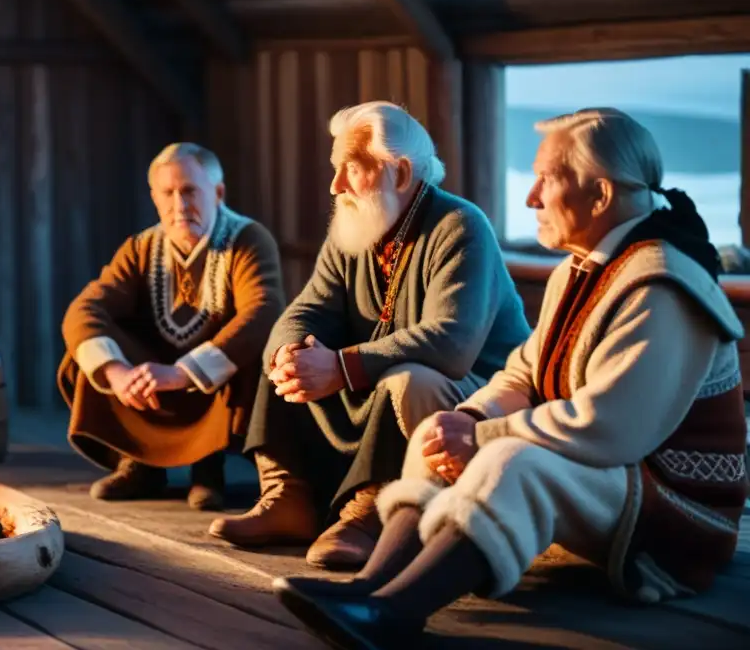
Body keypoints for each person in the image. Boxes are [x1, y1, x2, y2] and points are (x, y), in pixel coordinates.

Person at [273, 107, 748, 650]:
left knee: (510, 459)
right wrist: (470, 418)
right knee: (439, 430)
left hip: (676, 518)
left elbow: (611, 425)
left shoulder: (662, 285)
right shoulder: (583, 266)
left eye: (546, 179)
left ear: (600, 196)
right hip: (614, 477)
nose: (531, 197)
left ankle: (392, 613)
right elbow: (524, 369)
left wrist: (482, 438)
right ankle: (368, 587)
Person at [209, 101, 531, 570]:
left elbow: (451, 343)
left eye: (351, 169)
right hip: (371, 382)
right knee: (286, 357)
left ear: (399, 173)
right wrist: (292, 352)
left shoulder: (461, 226)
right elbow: (307, 308)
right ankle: (288, 497)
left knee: (406, 379)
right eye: (335, 168)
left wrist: (341, 366)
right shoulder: (357, 220)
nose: (336, 185)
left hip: (470, 395)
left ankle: (371, 513)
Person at [58, 143, 285, 511]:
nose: (179, 206)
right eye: (168, 193)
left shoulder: (247, 239)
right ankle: (139, 462)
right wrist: (116, 373)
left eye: (190, 191)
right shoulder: (142, 247)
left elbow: (263, 311)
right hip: (151, 379)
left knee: (256, 344)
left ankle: (208, 469)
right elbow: (86, 308)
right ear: (155, 198)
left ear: (218, 192)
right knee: (88, 348)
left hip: (211, 383)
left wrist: (181, 373)